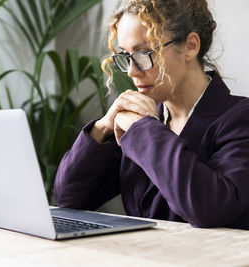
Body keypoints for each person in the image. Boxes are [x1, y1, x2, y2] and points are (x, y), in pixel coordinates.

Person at [54, 0, 249, 230]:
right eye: (126, 56)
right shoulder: (138, 122)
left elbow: (209, 209)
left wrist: (148, 130)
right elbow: (68, 198)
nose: (131, 71)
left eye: (143, 53)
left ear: (190, 46)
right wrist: (102, 128)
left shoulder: (238, 119)